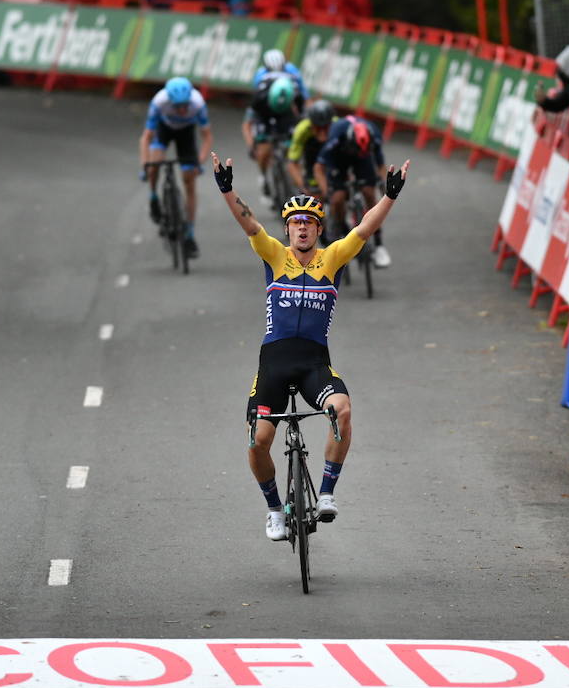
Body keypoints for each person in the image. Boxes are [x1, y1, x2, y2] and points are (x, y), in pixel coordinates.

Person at [210, 151, 409, 540]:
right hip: (275, 363)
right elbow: (248, 223)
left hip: (315, 363)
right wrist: (228, 189)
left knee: (342, 411)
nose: (302, 229)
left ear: (319, 230)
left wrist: (389, 197)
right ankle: (273, 510)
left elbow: (364, 229)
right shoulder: (274, 255)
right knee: (258, 440)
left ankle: (327, 494)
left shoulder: (332, 258)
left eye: (310, 223)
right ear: (287, 230)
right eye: (296, 223)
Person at [139, 76, 213, 259]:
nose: (181, 110)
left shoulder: (198, 104)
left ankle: (189, 234)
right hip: (163, 129)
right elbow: (146, 138)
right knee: (155, 163)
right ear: (169, 101)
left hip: (186, 133)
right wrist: (145, 165)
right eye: (177, 106)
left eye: (184, 106)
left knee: (189, 180)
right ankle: (154, 197)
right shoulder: (159, 102)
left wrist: (200, 161)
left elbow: (207, 137)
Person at [315, 114, 391, 268]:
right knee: (337, 198)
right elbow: (318, 168)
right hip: (340, 158)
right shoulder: (336, 137)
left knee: (369, 193)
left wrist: (383, 186)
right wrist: (327, 192)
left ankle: (378, 245)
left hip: (363, 156)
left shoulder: (374, 135)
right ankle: (342, 227)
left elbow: (381, 165)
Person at [241, 72, 304, 198]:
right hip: (264, 115)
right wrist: (252, 145)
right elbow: (247, 125)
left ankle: (293, 176)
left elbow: (300, 119)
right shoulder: (259, 98)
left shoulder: (296, 95)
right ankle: (264, 175)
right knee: (264, 149)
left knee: (291, 145)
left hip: (286, 113)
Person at [286, 99, 335, 199]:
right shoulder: (302, 130)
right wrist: (303, 186)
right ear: (311, 123)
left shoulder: (337, 125)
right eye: (318, 128)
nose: (322, 133)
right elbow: (292, 164)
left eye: (325, 127)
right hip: (311, 159)